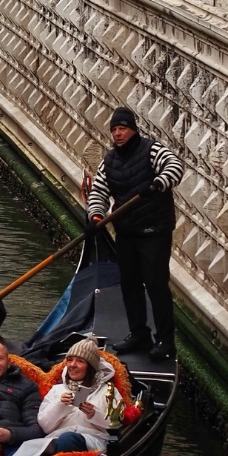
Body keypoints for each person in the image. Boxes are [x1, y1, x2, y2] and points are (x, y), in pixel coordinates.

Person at [87, 105, 184, 358]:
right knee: (130, 285)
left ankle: (165, 341)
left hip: (155, 231)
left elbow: (175, 167)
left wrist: (158, 183)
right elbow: (99, 192)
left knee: (156, 285)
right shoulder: (109, 161)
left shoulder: (152, 150)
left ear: (133, 130)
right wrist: (96, 216)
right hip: (126, 233)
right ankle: (139, 334)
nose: (118, 134)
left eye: (122, 129)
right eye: (114, 130)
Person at [6, 339, 120, 456]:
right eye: (70, 360)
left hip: (93, 441)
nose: (72, 365)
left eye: (80, 361)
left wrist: (93, 414)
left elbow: (117, 423)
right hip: (54, 441)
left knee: (68, 439)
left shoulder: (108, 391)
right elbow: (45, 426)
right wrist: (60, 405)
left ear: (90, 366)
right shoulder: (57, 390)